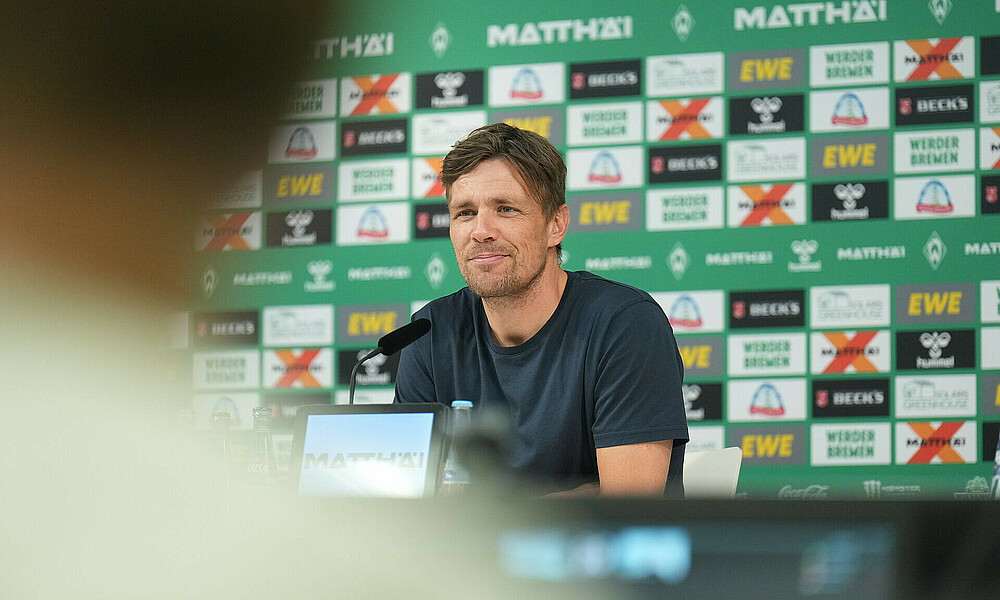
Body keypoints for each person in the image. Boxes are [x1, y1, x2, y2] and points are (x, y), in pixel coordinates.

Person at [394, 123, 688, 497]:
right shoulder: (430, 331)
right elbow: (410, 503)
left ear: (556, 225)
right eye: (465, 213)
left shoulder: (626, 324)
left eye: (506, 209)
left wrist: (478, 523)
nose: (481, 231)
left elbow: (625, 508)